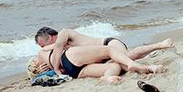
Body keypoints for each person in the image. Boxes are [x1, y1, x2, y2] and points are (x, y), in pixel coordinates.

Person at [33, 27, 172, 81]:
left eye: (42, 44)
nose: (44, 47)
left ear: (51, 37)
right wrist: (48, 68)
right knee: (119, 63)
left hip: (108, 43)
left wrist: (55, 69)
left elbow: (57, 47)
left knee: (126, 57)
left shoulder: (64, 34)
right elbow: (53, 51)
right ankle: (109, 76)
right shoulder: (54, 49)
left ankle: (159, 46)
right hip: (87, 61)